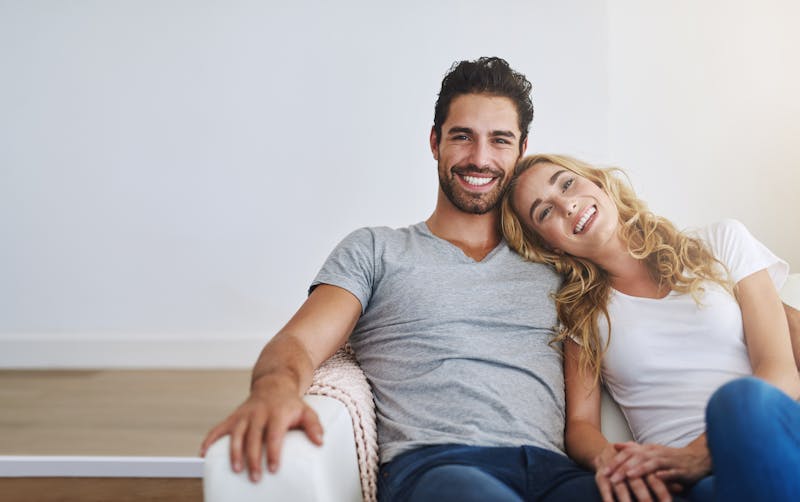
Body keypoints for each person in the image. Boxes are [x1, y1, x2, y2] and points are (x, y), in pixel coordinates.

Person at [200, 58, 602, 501]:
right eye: (462, 136)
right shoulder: (376, 250)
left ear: (520, 150)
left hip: (553, 473)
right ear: (435, 142)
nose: (480, 158)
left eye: (499, 140)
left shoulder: (555, 259)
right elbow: (297, 343)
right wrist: (272, 391)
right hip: (440, 469)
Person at [501, 153, 800, 502]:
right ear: (548, 244)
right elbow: (582, 426)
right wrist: (612, 461)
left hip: (768, 434)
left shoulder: (722, 242)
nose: (566, 205)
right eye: (545, 212)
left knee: (737, 401)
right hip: (686, 481)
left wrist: (699, 455)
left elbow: (780, 371)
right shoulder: (580, 316)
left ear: (597, 181)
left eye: (567, 184)